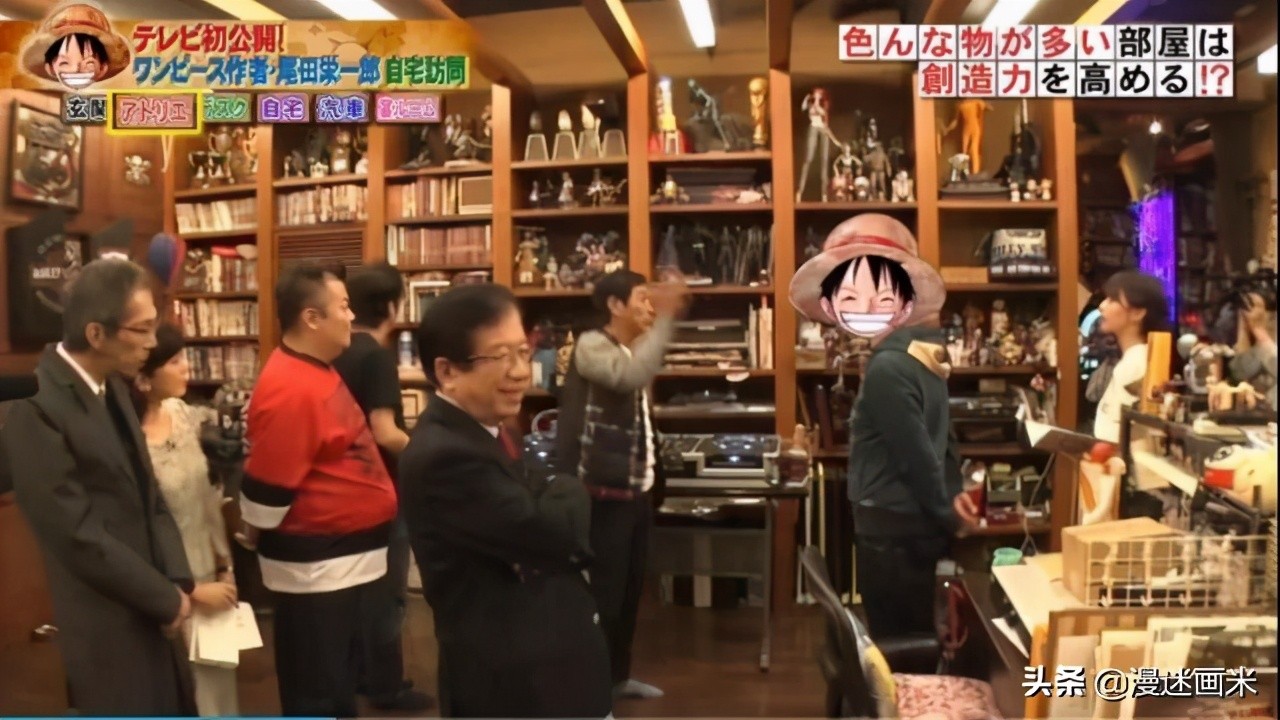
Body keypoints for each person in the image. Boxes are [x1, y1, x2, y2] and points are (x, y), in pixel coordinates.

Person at [400, 284, 612, 718]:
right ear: (447, 371)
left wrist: (550, 490)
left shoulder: (489, 429)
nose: (520, 372)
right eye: (500, 357)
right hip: (513, 682)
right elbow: (554, 534)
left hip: (545, 662)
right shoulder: (446, 455)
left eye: (522, 353)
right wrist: (569, 484)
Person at [0, 258, 196, 714]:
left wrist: (176, 581)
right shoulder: (37, 406)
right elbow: (77, 536)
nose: (152, 343)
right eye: (141, 330)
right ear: (96, 334)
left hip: (153, 603)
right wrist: (163, 598)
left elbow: (151, 493)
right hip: (105, 620)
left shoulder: (114, 385)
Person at [789, 214, 979, 639]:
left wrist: (948, 513)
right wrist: (953, 499)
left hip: (894, 530)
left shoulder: (889, 366)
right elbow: (942, 442)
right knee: (916, 633)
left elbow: (917, 456)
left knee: (899, 641)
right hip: (911, 526)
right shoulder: (919, 358)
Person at [239, 263, 398, 717]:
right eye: (343, 307)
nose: (352, 316)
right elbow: (268, 491)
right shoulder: (291, 388)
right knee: (318, 690)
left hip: (340, 565)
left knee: (337, 685)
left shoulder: (314, 370)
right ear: (311, 318)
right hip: (318, 569)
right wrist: (250, 531)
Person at [555, 270, 686, 700]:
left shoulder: (629, 350)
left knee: (630, 594)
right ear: (614, 305)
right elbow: (628, 377)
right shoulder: (592, 344)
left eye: (652, 300)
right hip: (600, 497)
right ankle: (592, 689)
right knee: (604, 598)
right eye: (642, 299)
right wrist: (667, 319)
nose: (650, 307)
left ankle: (617, 678)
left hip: (635, 493)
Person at [331, 262, 431, 712]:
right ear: (392, 306)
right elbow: (386, 432)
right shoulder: (375, 356)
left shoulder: (337, 350)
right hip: (383, 488)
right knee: (387, 592)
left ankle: (359, 675)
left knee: (357, 590)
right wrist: (427, 456)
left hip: (345, 485)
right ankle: (387, 686)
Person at [130, 323, 239, 716]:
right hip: (169, 586)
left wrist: (225, 566)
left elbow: (208, 501)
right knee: (184, 696)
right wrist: (189, 591)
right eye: (174, 361)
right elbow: (136, 531)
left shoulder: (181, 413)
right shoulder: (131, 443)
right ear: (143, 378)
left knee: (219, 694)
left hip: (211, 571)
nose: (186, 368)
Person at [1091, 271, 1169, 443]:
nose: (1102, 306)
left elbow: (1130, 435)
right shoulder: (1133, 359)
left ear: (1137, 313)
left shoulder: (1137, 363)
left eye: (1112, 300)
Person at [1230, 291, 1277, 409]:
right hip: (1260, 414)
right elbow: (1239, 372)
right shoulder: (1260, 347)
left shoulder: (1267, 342)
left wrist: (1258, 329)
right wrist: (1244, 327)